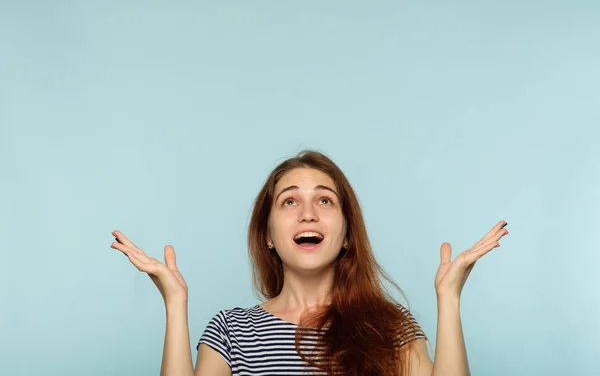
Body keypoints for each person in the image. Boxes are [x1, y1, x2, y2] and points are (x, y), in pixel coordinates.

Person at [110, 150, 509, 376]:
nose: (307, 214)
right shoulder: (231, 331)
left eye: (324, 200)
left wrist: (449, 298)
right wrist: (175, 303)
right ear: (267, 235)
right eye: (289, 201)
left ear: (348, 234)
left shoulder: (391, 327)